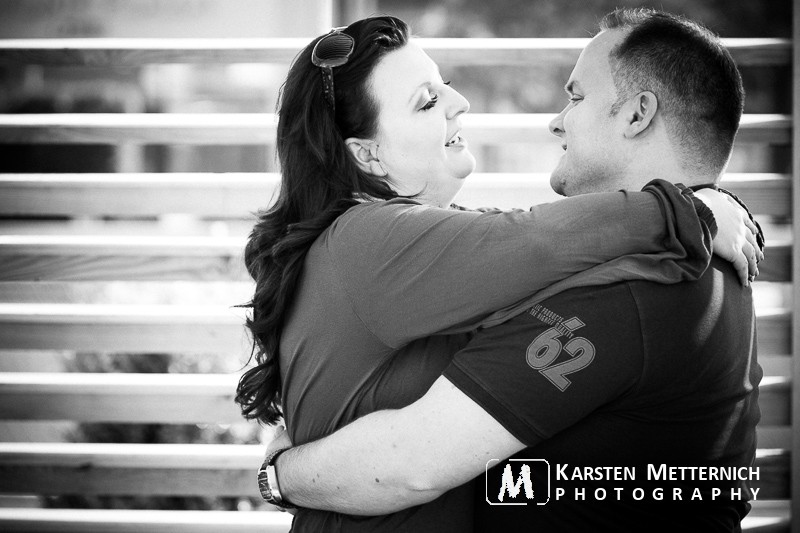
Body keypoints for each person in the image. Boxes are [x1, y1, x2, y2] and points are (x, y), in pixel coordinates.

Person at [260, 9, 763, 532]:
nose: (461, 103)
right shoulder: (368, 241)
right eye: (428, 101)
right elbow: (529, 238)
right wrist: (685, 211)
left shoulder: (647, 283)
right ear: (368, 154)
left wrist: (284, 470)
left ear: (637, 116)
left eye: (575, 96)